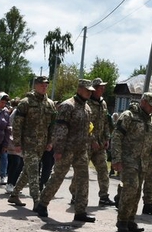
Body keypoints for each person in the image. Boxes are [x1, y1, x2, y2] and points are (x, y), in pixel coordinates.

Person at [33, 79, 95, 222]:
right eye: (87, 90)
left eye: (91, 91)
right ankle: (42, 204)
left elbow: (88, 129)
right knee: (58, 177)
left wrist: (90, 142)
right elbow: (60, 129)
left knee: (83, 180)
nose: (90, 93)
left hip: (81, 150)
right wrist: (58, 150)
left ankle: (80, 211)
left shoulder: (87, 107)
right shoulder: (68, 105)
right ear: (79, 89)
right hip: (67, 149)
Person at [110, 92, 152, 232]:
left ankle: (130, 220)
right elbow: (116, 137)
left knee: (137, 192)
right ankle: (122, 220)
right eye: (151, 105)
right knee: (130, 189)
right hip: (128, 160)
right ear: (143, 102)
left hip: (143, 162)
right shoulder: (129, 116)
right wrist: (116, 159)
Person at [8, 76, 57, 209]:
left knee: (28, 171)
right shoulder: (26, 103)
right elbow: (17, 124)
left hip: (42, 144)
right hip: (28, 143)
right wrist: (17, 143)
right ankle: (37, 200)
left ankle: (14, 194)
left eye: (46, 85)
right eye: (41, 85)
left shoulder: (50, 104)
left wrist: (50, 141)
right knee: (34, 171)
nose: (44, 87)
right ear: (35, 85)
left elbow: (52, 125)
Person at [79, 78, 115, 207]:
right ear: (94, 89)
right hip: (87, 144)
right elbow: (85, 124)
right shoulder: (86, 103)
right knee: (82, 171)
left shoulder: (103, 103)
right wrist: (92, 140)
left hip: (100, 144)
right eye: (100, 87)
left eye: (103, 87)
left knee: (103, 170)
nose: (102, 90)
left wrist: (107, 138)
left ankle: (104, 196)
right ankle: (75, 194)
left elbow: (105, 122)